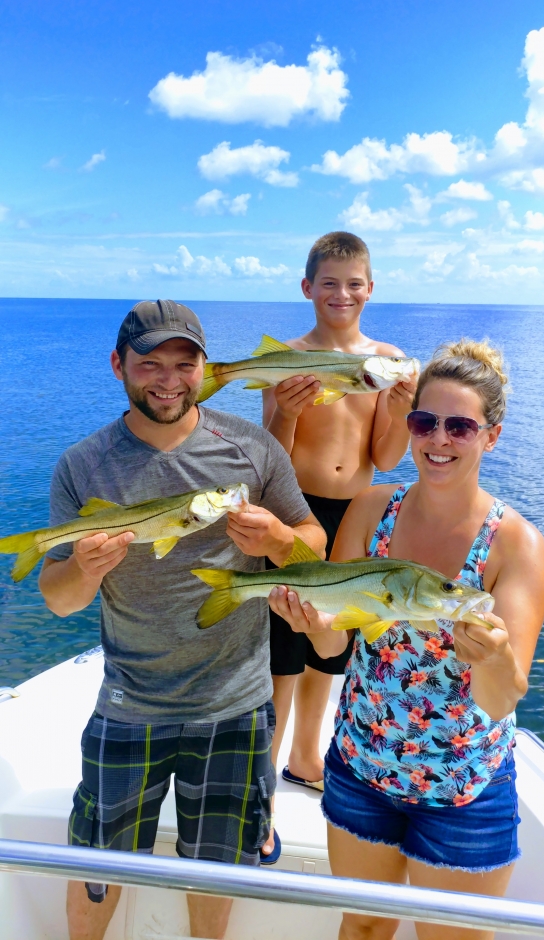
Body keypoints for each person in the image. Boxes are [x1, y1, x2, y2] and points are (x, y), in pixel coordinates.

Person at [38, 299, 326, 940]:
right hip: (129, 702)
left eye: (184, 363)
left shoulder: (252, 448)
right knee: (96, 867)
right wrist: (85, 569)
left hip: (236, 705)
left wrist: (279, 537)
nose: (168, 378)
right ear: (118, 366)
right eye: (150, 364)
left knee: (218, 871)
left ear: (203, 368)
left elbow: (313, 545)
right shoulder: (82, 466)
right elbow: (59, 599)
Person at [269, 338, 544, 940]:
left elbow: (503, 700)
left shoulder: (516, 545)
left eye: (460, 426)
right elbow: (335, 651)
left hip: (462, 788)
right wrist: (314, 626)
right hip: (361, 767)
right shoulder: (370, 511)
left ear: (490, 436)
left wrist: (493, 657)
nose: (438, 439)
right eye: (424, 420)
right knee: (363, 927)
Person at [261, 231, 416, 855]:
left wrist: (403, 410)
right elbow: (271, 449)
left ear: (371, 289)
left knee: (334, 639)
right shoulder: (286, 357)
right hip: (294, 510)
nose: (342, 293)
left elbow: (383, 455)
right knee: (282, 645)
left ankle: (306, 757)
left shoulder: (387, 361)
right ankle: (260, 788)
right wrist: (291, 409)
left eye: (354, 284)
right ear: (307, 288)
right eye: (330, 283)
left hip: (355, 512)